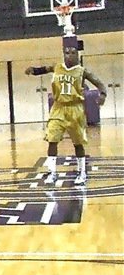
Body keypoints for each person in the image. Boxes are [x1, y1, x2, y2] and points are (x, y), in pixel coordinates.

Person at [25, 40, 108, 185]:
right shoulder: (57, 67)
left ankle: (82, 173)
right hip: (58, 108)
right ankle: (52, 173)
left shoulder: (82, 71)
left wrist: (102, 95)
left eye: (72, 53)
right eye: (66, 53)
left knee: (78, 143)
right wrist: (33, 70)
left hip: (75, 109)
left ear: (77, 55)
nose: (69, 55)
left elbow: (100, 83)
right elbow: (44, 69)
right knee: (52, 139)